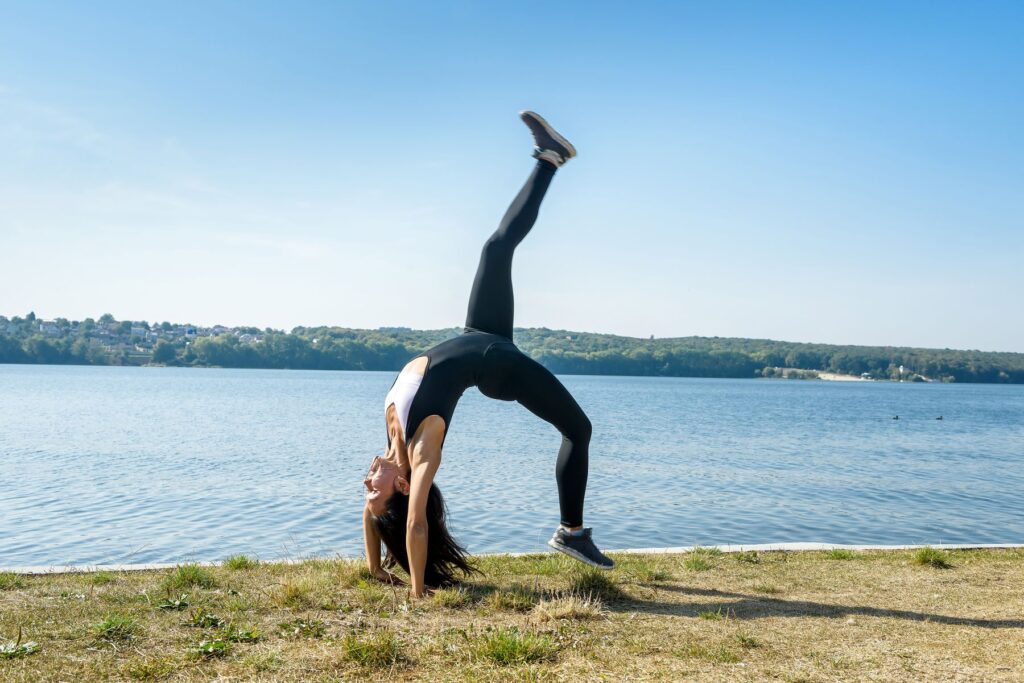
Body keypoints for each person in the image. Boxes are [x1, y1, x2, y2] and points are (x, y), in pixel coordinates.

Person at [362, 111, 614, 598]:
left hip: (481, 333)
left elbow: (373, 516)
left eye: (367, 486)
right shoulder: (420, 453)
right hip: (499, 367)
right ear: (401, 487)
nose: (367, 479)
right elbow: (413, 525)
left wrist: (375, 568)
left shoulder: (391, 438)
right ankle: (572, 533)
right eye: (375, 486)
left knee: (495, 248)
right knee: (579, 430)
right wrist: (417, 591)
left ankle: (550, 159)